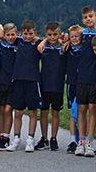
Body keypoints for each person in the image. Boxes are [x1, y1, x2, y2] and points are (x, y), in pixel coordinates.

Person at [6, 20, 42, 152]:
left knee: (32, 112)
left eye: (30, 33)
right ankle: (16, 138)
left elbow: (53, 40)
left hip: (33, 81)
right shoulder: (18, 41)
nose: (28, 36)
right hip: (18, 81)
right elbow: (6, 36)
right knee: (18, 112)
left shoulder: (38, 43)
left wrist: (42, 41)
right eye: (25, 34)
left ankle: (30, 140)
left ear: (35, 33)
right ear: (21, 33)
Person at [75, 6, 96, 157]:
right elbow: (70, 38)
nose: (88, 19)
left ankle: (90, 141)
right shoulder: (82, 34)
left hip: (95, 77)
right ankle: (81, 141)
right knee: (81, 109)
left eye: (90, 16)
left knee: (92, 109)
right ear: (82, 20)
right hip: (82, 77)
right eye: (85, 17)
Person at [36, 21, 67, 151]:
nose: (52, 37)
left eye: (55, 34)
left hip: (58, 85)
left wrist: (66, 39)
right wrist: (42, 41)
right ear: (46, 35)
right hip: (44, 84)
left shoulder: (64, 47)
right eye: (49, 35)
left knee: (55, 112)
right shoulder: (42, 47)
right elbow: (32, 38)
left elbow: (75, 37)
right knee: (43, 113)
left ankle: (54, 138)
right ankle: (44, 138)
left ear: (59, 34)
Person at [0, 23, 19, 151]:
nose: (10, 37)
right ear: (4, 35)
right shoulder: (1, 44)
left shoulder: (19, 43)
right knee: (1, 110)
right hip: (1, 81)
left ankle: (6, 136)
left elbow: (34, 39)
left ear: (17, 34)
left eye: (13, 34)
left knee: (8, 110)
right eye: (8, 35)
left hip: (13, 82)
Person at [65, 25, 83, 153]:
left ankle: (82, 140)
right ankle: (73, 141)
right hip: (71, 82)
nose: (74, 38)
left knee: (82, 111)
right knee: (73, 112)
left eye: (77, 36)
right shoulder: (67, 48)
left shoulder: (87, 47)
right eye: (72, 36)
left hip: (84, 83)